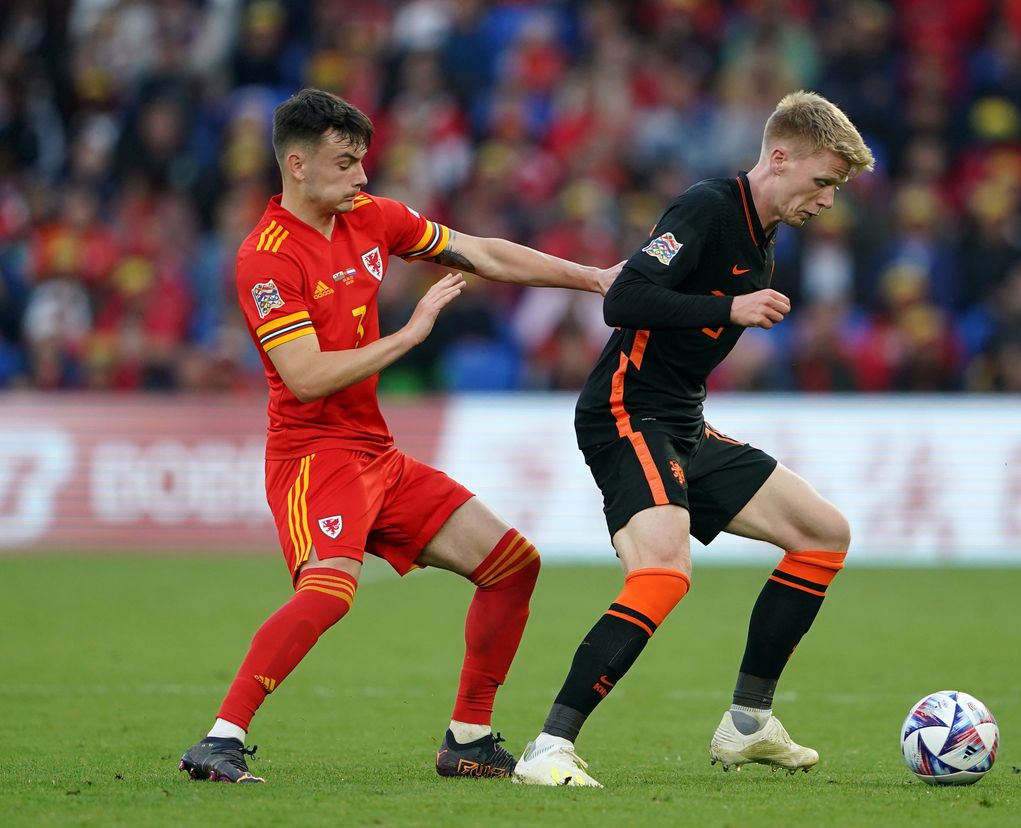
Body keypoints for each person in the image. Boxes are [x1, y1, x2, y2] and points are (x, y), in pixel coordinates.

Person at [179, 88, 619, 784]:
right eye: (345, 162)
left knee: (513, 564)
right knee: (328, 593)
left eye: (363, 161)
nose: (361, 176)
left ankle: (468, 738)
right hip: (312, 457)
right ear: (297, 165)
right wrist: (411, 334)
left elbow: (479, 252)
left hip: (375, 455)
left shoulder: (372, 219)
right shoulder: (265, 259)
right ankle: (219, 739)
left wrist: (594, 278)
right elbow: (304, 377)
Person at [512, 91, 875, 787]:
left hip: (681, 418)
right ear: (779, 157)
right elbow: (622, 300)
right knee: (662, 573)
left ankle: (747, 724)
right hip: (626, 409)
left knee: (824, 534)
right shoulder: (708, 207)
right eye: (823, 181)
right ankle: (548, 746)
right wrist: (728, 306)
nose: (829, 200)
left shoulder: (766, 231)